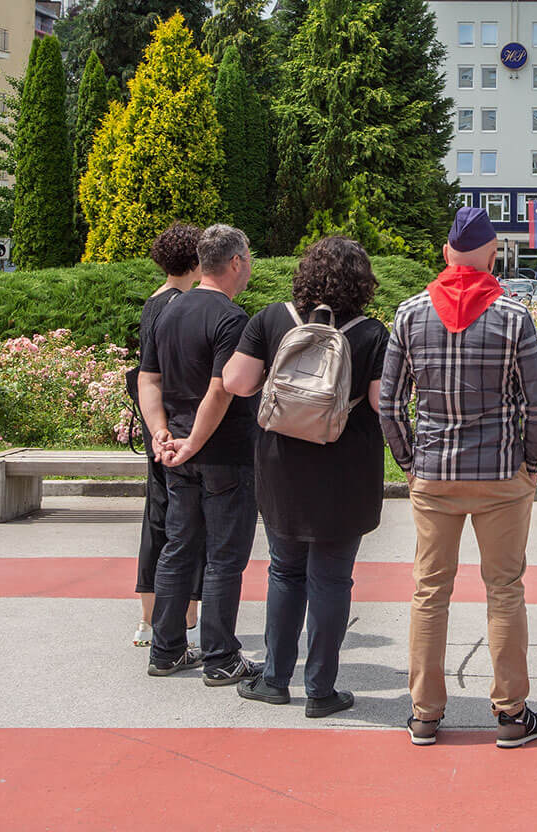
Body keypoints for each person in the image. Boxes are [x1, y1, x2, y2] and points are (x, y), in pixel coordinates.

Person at [380, 206, 537, 749]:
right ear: (493, 254)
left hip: (434, 474)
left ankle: (425, 715)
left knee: (430, 592)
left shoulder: (408, 314)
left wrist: (409, 464)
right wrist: (531, 462)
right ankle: (510, 713)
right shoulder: (512, 315)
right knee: (504, 590)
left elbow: (388, 404)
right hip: (502, 474)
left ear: (447, 252)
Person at [220, 236, 388, 717]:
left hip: (282, 465)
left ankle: (274, 680)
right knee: (332, 580)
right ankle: (321, 689)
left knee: (284, 570)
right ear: (363, 282)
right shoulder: (372, 333)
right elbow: (381, 402)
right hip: (346, 469)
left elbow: (237, 382)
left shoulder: (272, 319)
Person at [137, 223, 259, 685]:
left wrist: (161, 433)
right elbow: (221, 390)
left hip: (177, 454)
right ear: (234, 263)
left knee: (178, 548)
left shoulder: (167, 309)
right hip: (222, 453)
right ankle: (220, 656)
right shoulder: (231, 319)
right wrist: (193, 441)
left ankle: (166, 649)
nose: (249, 267)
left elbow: (149, 378)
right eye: (247, 258)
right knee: (224, 556)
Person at [130, 223, 203, 649]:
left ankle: (147, 616)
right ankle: (186, 614)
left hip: (153, 421)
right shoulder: (185, 306)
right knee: (187, 520)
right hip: (181, 421)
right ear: (197, 261)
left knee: (156, 513)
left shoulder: (153, 302)